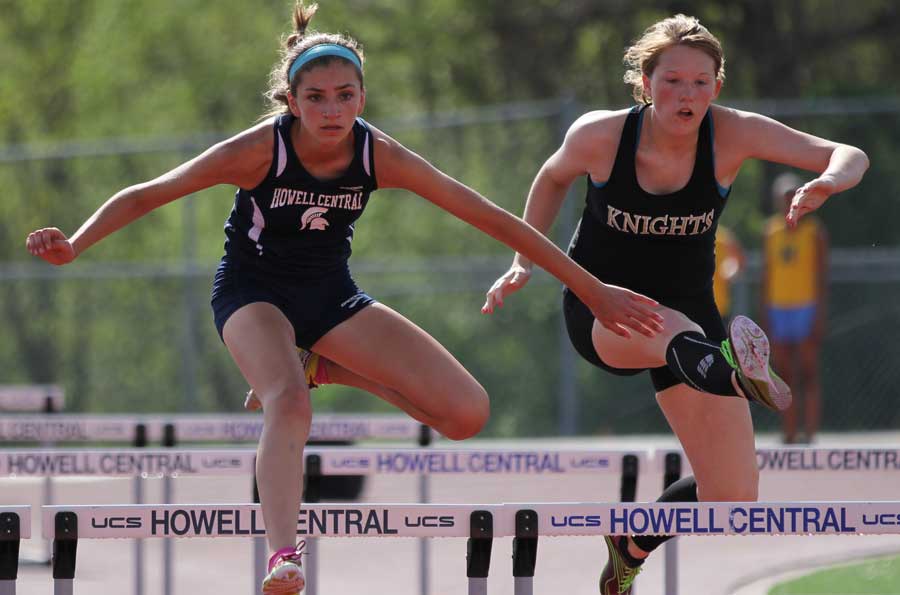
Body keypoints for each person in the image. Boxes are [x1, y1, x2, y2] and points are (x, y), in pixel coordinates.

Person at [25, 3, 665, 594]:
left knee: (465, 415)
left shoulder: (376, 152)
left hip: (331, 298)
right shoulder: (258, 150)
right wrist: (76, 245)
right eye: (316, 98)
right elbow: (148, 192)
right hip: (253, 295)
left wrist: (592, 288)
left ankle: (322, 363)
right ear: (292, 101)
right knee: (287, 401)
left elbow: (490, 216)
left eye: (346, 96)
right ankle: (283, 554)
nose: (332, 111)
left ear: (362, 96)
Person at [482, 14, 867, 595]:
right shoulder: (601, 135)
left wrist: (828, 182)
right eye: (672, 82)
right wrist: (522, 262)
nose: (686, 96)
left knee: (733, 498)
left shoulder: (732, 132)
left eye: (700, 83)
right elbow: (551, 176)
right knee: (674, 328)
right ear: (645, 82)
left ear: (716, 88)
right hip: (603, 311)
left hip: (692, 325)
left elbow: (849, 152)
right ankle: (730, 370)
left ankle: (630, 545)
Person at [761, 172, 829, 444]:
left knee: (808, 372)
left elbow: (822, 277)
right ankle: (788, 432)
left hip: (806, 307)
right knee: (784, 374)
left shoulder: (815, 233)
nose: (790, 202)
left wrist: (820, 314)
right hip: (779, 309)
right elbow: (767, 276)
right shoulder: (772, 232)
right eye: (785, 198)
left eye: (794, 197)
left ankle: (810, 433)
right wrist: (765, 313)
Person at [713, 224, 746, 321]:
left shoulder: (724, 238)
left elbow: (740, 260)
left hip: (720, 306)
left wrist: (732, 272)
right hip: (699, 306)